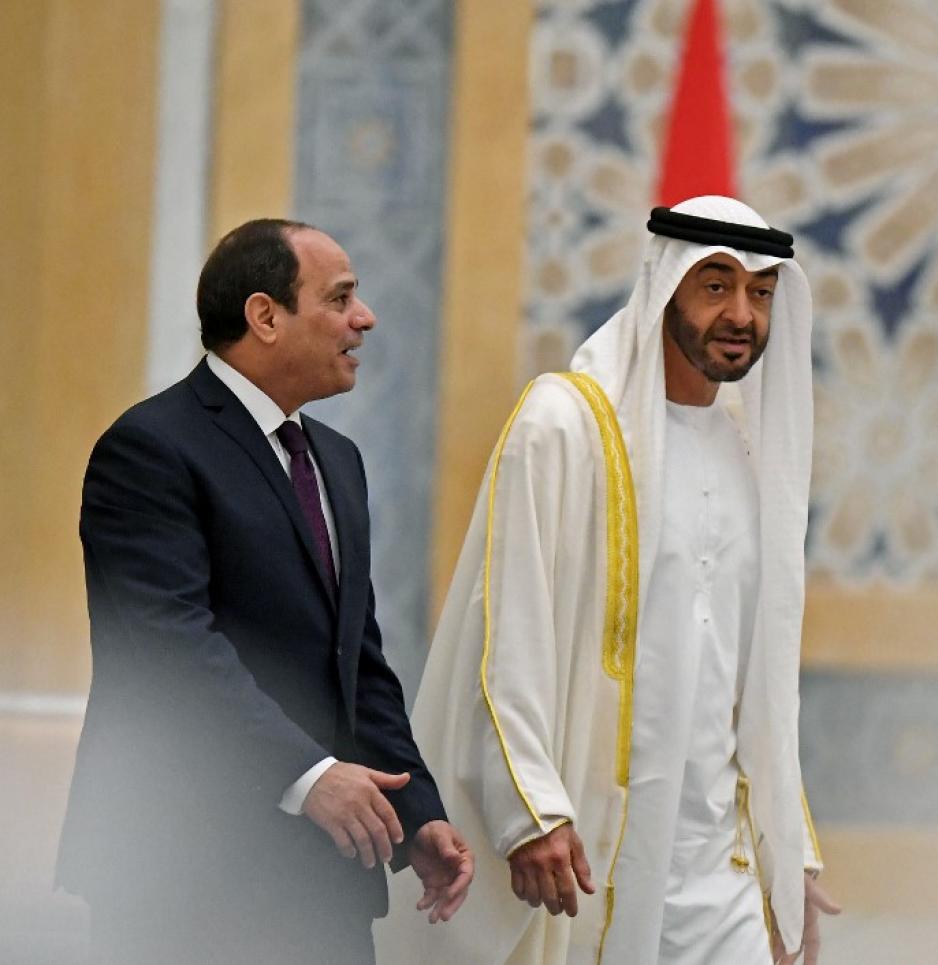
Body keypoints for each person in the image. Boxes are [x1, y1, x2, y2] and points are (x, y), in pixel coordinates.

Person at [376, 195, 838, 965]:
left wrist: (788, 848)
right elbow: (508, 630)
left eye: (761, 294)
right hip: (592, 846)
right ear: (665, 286)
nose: (741, 314)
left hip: (716, 860)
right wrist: (532, 809)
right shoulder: (564, 425)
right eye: (716, 285)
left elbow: (754, 675)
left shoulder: (748, 456)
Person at [57, 219, 475, 965]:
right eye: (340, 297)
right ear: (265, 316)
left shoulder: (337, 460)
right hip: (183, 875)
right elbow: (171, 649)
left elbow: (357, 661)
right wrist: (308, 776)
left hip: (323, 882)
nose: (365, 318)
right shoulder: (152, 448)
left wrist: (416, 812)